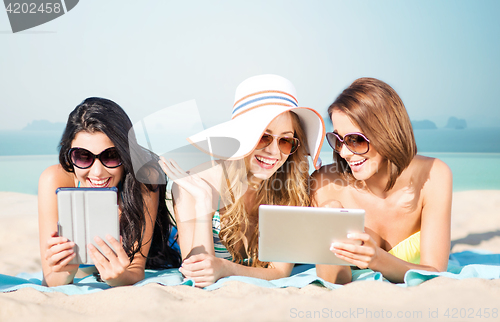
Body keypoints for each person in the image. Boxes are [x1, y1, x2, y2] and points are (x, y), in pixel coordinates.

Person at [159, 74, 325, 287]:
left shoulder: (291, 186)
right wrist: (203, 200)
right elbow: (197, 274)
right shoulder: (196, 181)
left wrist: (225, 268)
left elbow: (280, 272)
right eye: (264, 137)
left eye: (285, 141)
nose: (274, 151)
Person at [312, 77, 452, 284]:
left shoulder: (434, 175)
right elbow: (333, 283)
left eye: (356, 140)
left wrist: (377, 258)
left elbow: (434, 272)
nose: (344, 153)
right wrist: (328, 225)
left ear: (387, 133)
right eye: (338, 140)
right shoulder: (325, 186)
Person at [38, 97, 181, 287]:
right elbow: (51, 279)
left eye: (111, 156)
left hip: (159, 249)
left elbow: (136, 269)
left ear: (126, 153)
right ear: (69, 153)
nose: (97, 172)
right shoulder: (53, 181)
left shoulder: (144, 179)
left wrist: (119, 278)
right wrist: (63, 271)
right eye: (83, 156)